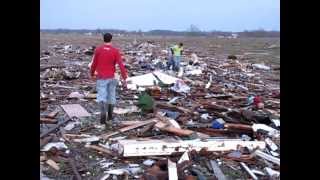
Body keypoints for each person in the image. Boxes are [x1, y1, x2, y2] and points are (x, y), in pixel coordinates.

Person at [90, 33, 128, 126]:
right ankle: (110, 115)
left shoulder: (98, 50)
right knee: (111, 95)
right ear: (111, 39)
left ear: (103, 39)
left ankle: (103, 113)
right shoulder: (115, 51)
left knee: (102, 95)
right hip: (112, 76)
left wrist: (92, 74)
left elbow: (94, 63)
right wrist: (124, 77)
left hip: (101, 77)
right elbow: (121, 65)